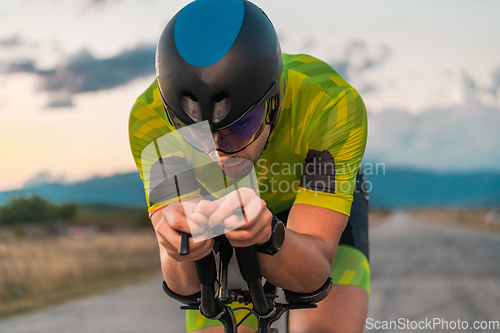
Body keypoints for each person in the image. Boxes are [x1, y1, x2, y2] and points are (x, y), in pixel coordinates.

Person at [128, 0, 369, 332]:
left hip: (307, 203)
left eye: (238, 128)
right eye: (192, 133)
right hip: (224, 204)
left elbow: (312, 274)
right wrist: (180, 248)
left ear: (274, 103)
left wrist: (268, 234)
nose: (215, 153)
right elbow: (185, 286)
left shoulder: (332, 104)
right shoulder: (149, 119)